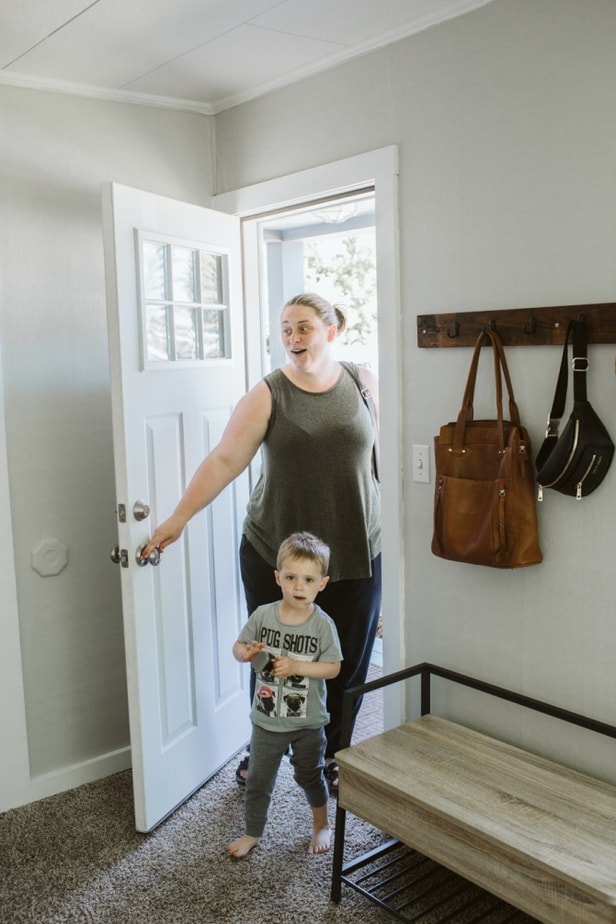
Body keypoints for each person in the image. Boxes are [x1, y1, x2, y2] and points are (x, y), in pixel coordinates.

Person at [141, 292, 381, 792]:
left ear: (330, 331)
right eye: (286, 328)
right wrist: (178, 519)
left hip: (356, 546)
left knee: (347, 658)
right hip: (280, 549)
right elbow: (226, 460)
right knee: (272, 655)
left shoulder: (362, 381)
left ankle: (333, 754)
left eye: (304, 328)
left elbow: (380, 454)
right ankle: (264, 744)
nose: (293, 338)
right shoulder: (269, 393)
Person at [226, 531, 342, 858]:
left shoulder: (322, 625)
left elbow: (332, 668)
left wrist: (297, 666)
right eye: (291, 577)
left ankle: (321, 825)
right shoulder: (263, 615)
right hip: (266, 719)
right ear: (278, 578)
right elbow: (238, 647)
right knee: (258, 780)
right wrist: (245, 652)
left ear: (322, 583)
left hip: (307, 722)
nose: (298, 586)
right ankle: (252, 832)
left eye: (308, 579)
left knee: (309, 775)